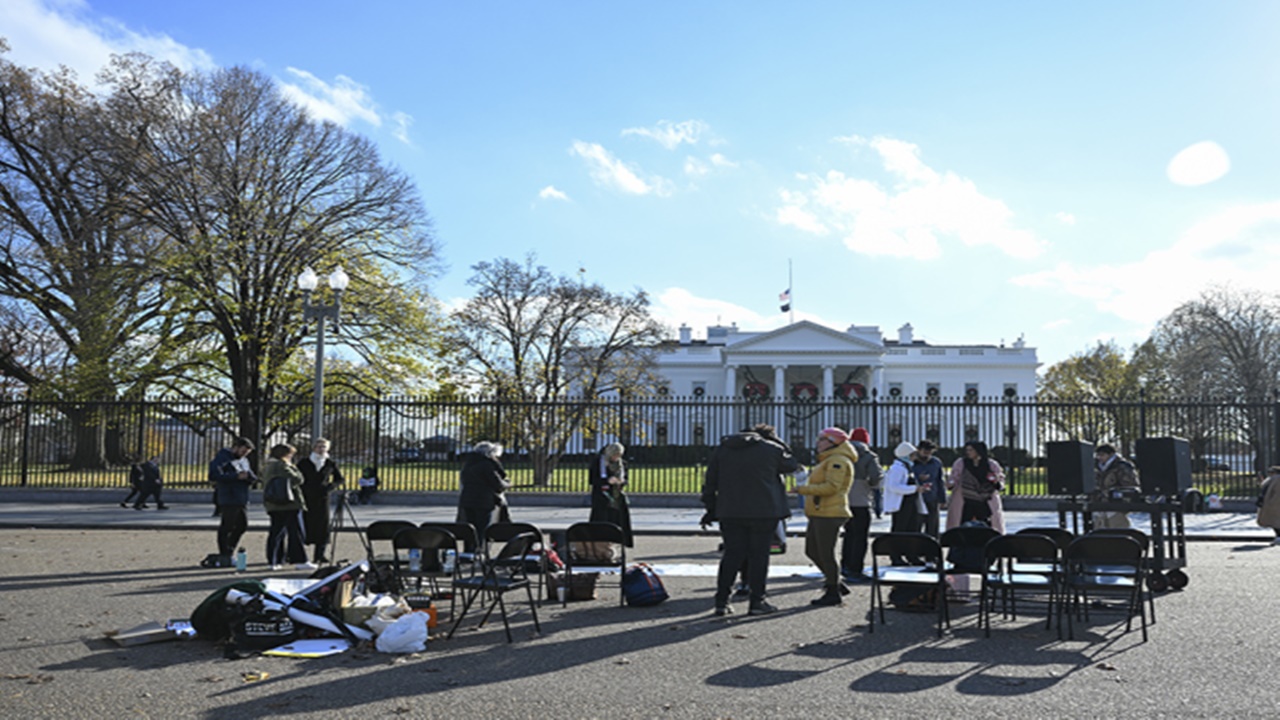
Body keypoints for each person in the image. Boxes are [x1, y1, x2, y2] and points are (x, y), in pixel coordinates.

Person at [701, 423, 800, 617]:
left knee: (731, 556)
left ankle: (722, 601)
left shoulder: (723, 449)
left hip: (730, 510)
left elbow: (710, 482)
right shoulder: (772, 449)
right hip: (764, 511)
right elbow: (792, 465)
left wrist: (711, 509)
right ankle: (757, 601)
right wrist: (778, 442)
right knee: (759, 557)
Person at [793, 427, 854, 606]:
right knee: (811, 551)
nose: (817, 443)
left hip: (830, 512)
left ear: (833, 442)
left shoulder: (838, 460)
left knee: (826, 553)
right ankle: (835, 581)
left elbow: (831, 487)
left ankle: (833, 591)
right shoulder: (828, 459)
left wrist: (802, 490)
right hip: (820, 511)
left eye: (822, 439)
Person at [840, 427, 883, 583]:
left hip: (844, 498)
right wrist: (871, 486)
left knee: (848, 534)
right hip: (861, 499)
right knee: (860, 536)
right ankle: (855, 569)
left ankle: (844, 565)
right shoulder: (868, 455)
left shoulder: (842, 453)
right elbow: (876, 476)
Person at [263, 443, 312, 570]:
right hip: (288, 504)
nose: (291, 457)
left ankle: (275, 560)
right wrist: (293, 467)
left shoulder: (269, 465)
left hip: (274, 504)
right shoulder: (281, 465)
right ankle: (299, 559)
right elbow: (298, 479)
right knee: (295, 532)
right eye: (290, 454)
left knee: (276, 532)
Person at [296, 438, 345, 564]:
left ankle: (319, 555)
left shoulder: (330, 463)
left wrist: (330, 487)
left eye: (324, 447)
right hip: (306, 497)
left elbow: (339, 479)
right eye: (319, 446)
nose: (321, 449)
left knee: (322, 526)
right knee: (302, 526)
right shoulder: (304, 462)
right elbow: (296, 477)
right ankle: (296, 555)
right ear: (313, 448)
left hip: (322, 498)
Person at [209, 437, 256, 563]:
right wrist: (235, 476)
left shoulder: (243, 460)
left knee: (242, 526)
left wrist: (250, 478)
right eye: (243, 451)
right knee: (227, 526)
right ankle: (224, 553)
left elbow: (251, 474)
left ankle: (230, 550)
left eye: (247, 453)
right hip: (229, 496)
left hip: (241, 497)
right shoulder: (223, 458)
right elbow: (214, 475)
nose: (244, 454)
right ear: (235, 447)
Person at [946, 440, 1006, 533]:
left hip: (985, 500)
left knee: (987, 525)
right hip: (966, 499)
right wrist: (951, 483)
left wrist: (996, 481)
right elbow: (954, 476)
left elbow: (1000, 480)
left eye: (971, 450)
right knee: (963, 525)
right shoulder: (961, 463)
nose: (968, 452)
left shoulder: (991, 464)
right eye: (967, 450)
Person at [456, 441, 510, 539]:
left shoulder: (468, 465)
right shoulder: (487, 465)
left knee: (470, 529)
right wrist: (507, 483)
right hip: (484, 502)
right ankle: (481, 550)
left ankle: (469, 550)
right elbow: (497, 484)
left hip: (467, 500)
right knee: (482, 529)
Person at [589, 443, 634, 547]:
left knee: (618, 520)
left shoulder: (622, 464)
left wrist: (621, 481)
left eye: (619, 455)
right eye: (615, 455)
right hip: (601, 497)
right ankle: (600, 541)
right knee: (602, 520)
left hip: (617, 496)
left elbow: (626, 479)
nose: (616, 458)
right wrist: (607, 481)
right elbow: (593, 480)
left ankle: (619, 541)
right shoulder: (598, 463)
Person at [1093, 443, 1139, 529]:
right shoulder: (1096, 467)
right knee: (1099, 529)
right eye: (1098, 455)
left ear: (1111, 454)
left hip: (1117, 504)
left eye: (1102, 455)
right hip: (1100, 504)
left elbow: (1130, 485)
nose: (1099, 458)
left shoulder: (1122, 466)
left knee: (1117, 527)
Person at [913, 440, 945, 537]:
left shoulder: (936, 462)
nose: (927, 454)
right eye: (925, 452)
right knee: (916, 525)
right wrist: (918, 478)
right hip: (916, 498)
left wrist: (942, 499)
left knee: (932, 525)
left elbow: (940, 481)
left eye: (930, 452)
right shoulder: (912, 462)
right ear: (918, 450)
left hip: (932, 497)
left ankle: (932, 547)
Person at [1256, 467, 1280, 544]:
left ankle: (1279, 536)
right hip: (1272, 504)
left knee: (1275, 521)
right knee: (1274, 521)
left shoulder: (1276, 479)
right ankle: (1278, 536)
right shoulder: (1274, 479)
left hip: (1273, 504)